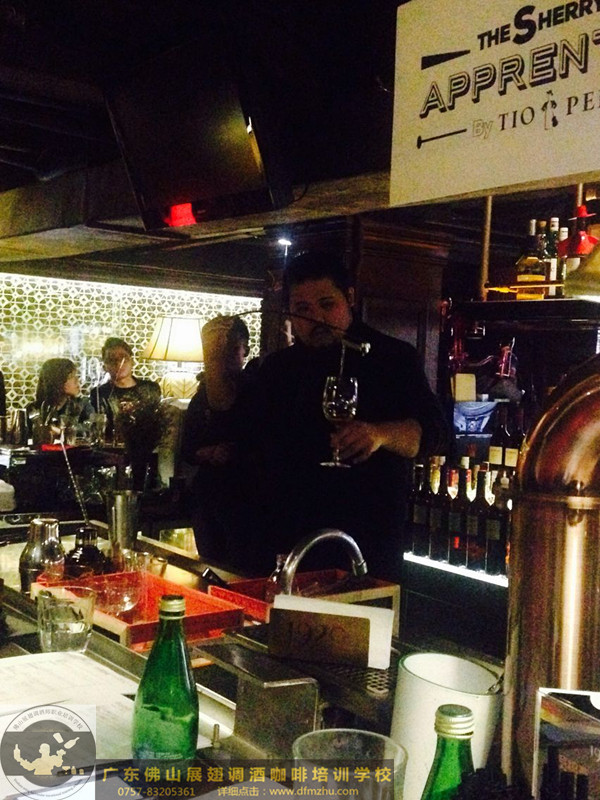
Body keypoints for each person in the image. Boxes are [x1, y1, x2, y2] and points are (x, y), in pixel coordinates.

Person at [249, 250, 450, 583]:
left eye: (327, 304)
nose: (317, 319)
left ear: (350, 298)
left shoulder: (393, 357)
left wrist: (380, 434)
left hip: (367, 542)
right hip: (290, 539)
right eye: (303, 309)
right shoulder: (276, 369)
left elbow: (436, 434)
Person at [181, 315, 260, 572]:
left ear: (245, 350)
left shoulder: (256, 388)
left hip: (247, 495)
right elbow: (187, 450)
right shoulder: (201, 397)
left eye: (231, 349)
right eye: (215, 351)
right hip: (209, 495)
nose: (222, 357)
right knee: (211, 566)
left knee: (241, 567)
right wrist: (209, 453)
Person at [90, 337, 161, 439]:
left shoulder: (150, 389)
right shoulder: (99, 393)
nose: (119, 363)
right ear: (105, 366)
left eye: (123, 358)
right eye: (112, 360)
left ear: (132, 361)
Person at [28, 358, 93, 441]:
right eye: (71, 377)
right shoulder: (34, 409)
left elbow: (91, 429)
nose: (77, 380)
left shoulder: (83, 406)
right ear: (58, 381)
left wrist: (62, 431)